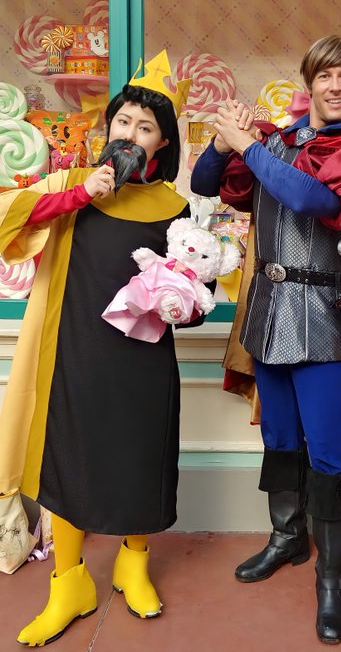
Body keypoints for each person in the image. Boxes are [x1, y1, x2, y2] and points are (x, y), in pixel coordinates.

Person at [191, 35, 341, 644]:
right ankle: (287, 538)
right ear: (309, 83)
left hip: (325, 316)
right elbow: (206, 183)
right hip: (267, 311)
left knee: (329, 448)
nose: (336, 86)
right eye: (325, 75)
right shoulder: (275, 143)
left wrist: (249, 144)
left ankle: (331, 578)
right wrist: (222, 139)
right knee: (279, 436)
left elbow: (315, 199)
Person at [0, 50, 196, 646]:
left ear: (162, 144)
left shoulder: (176, 207)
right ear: (108, 128)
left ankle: (134, 565)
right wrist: (79, 194)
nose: (129, 133)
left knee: (139, 455)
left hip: (143, 359)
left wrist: (184, 301)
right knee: (69, 461)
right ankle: (69, 583)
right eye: (123, 121)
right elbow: (7, 224)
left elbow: (192, 284)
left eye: (145, 127)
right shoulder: (70, 185)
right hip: (74, 350)